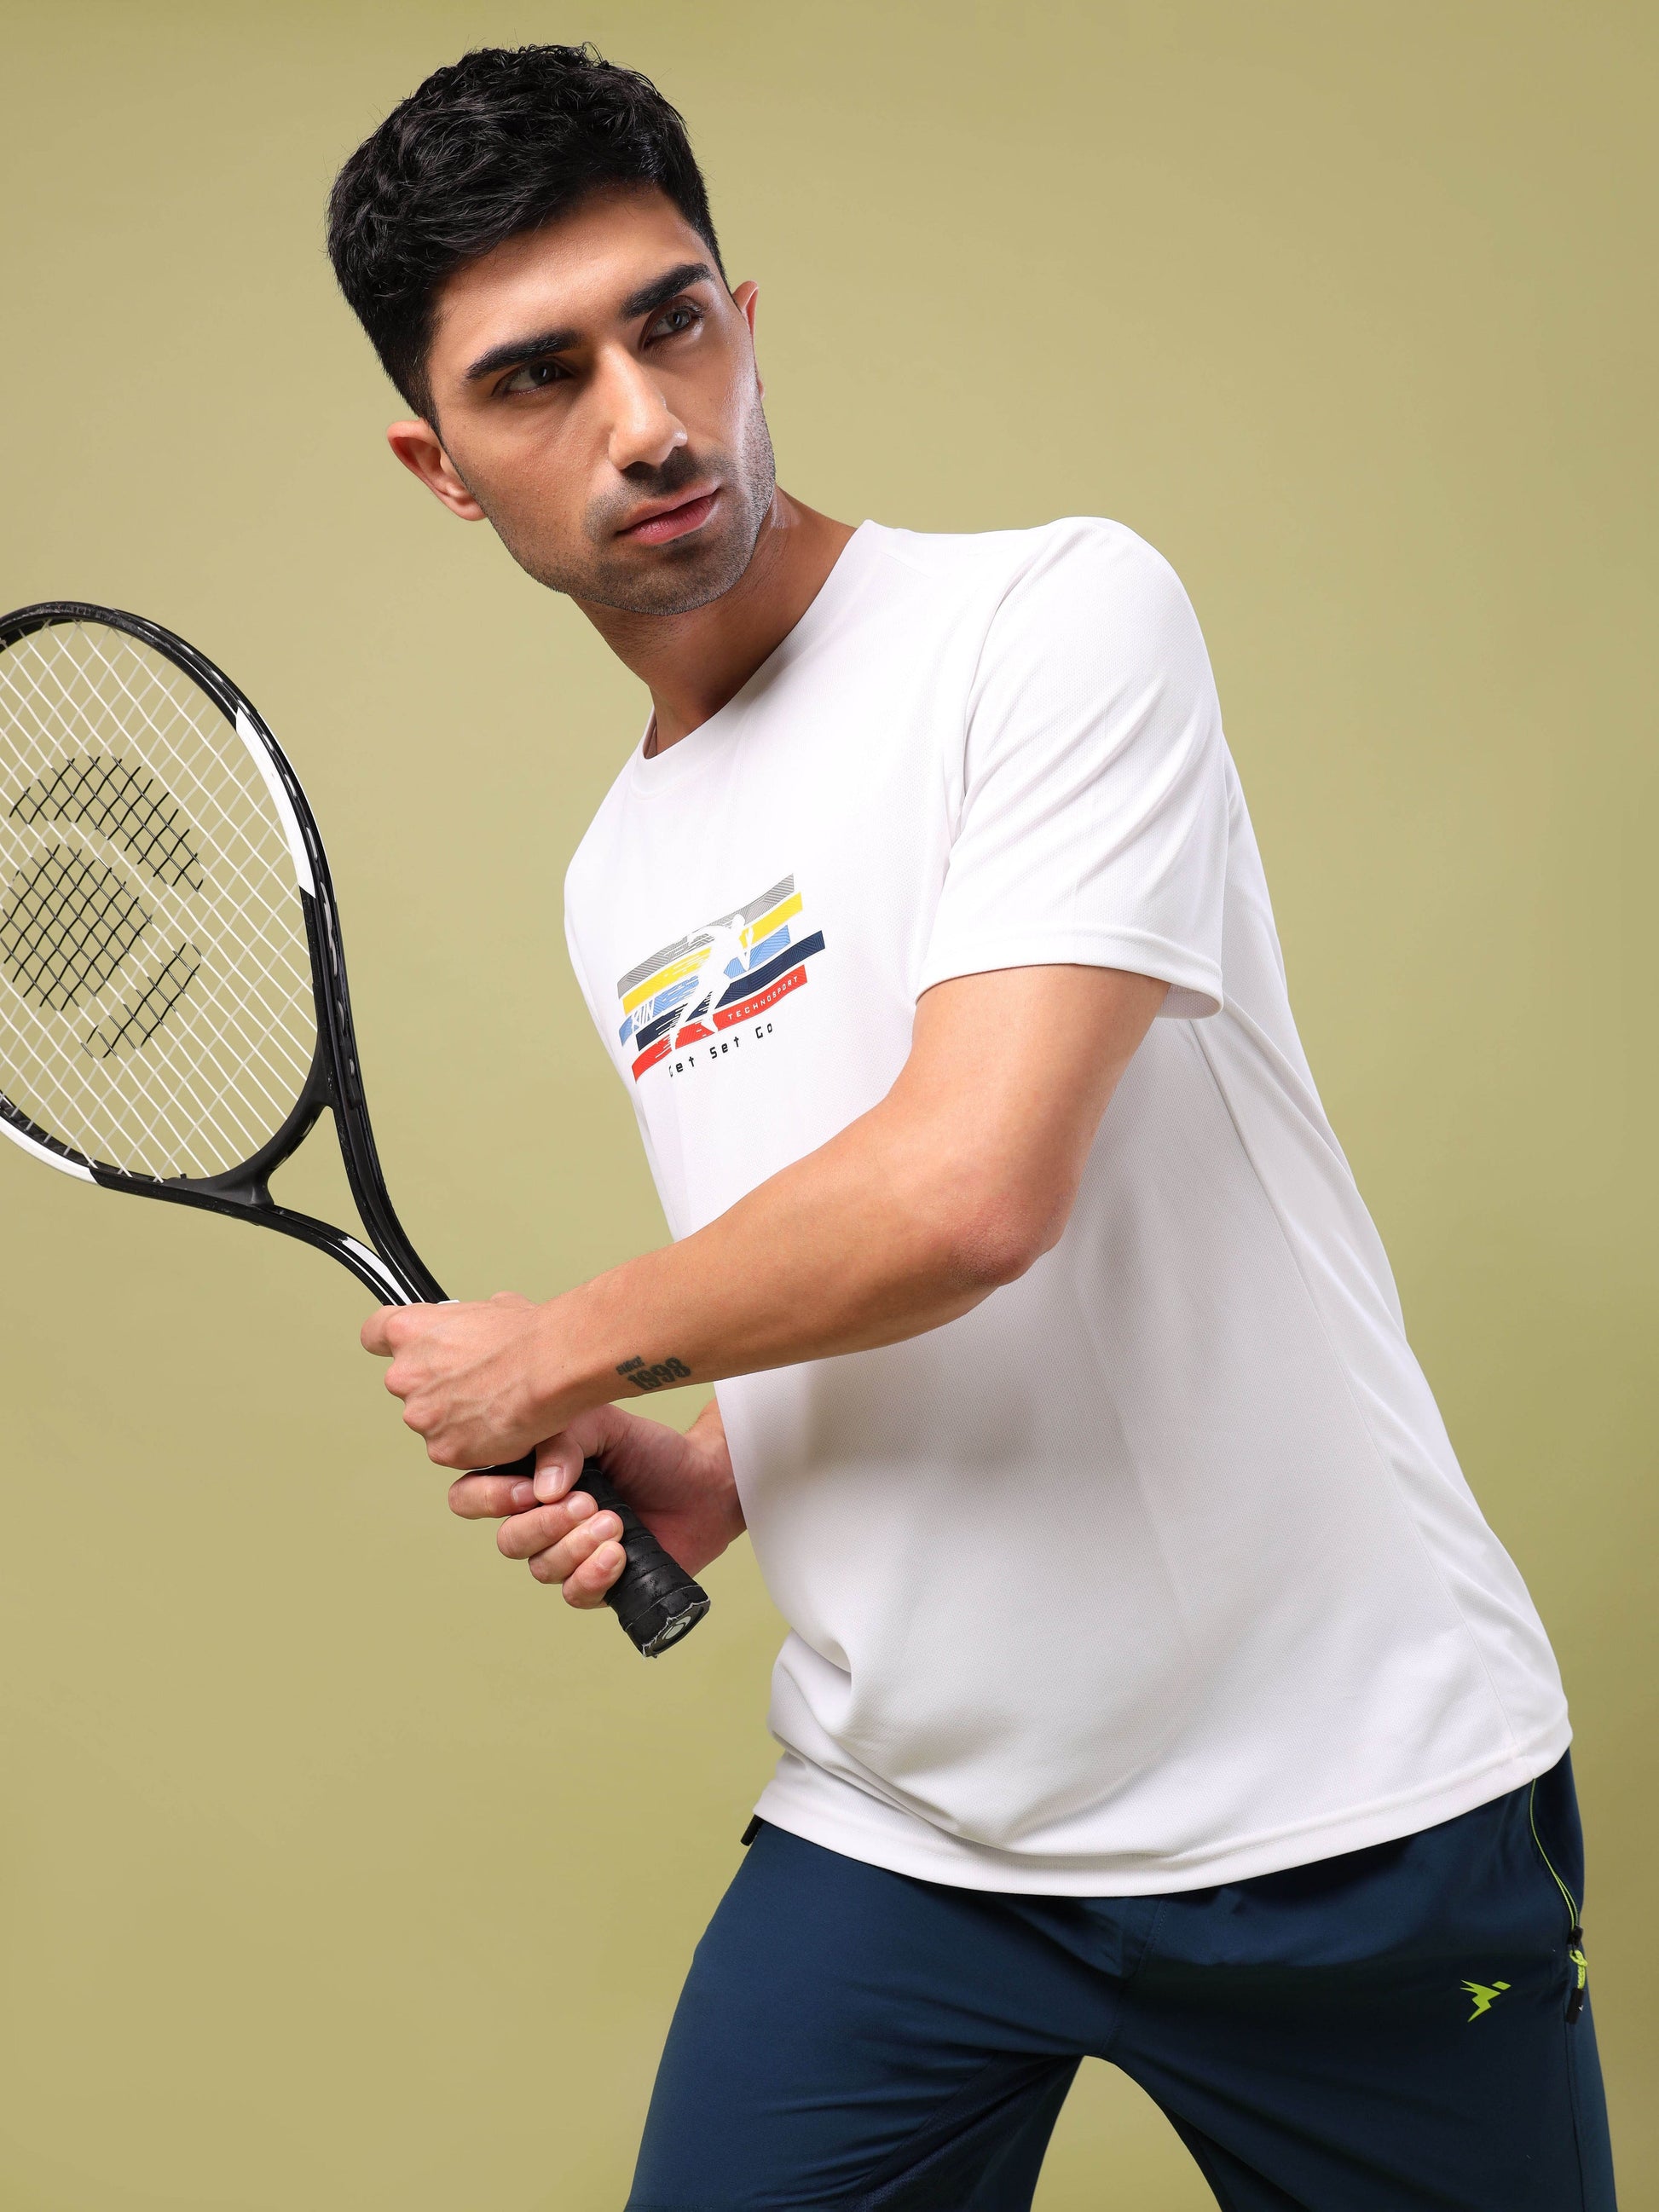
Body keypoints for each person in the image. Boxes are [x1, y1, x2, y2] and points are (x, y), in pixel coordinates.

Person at [330, 43, 1616, 2210]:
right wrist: (722, 1465)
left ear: (745, 317)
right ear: (440, 466)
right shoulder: (616, 873)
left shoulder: (1051, 619)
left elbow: (968, 1189)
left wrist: (562, 1345)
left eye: (670, 320)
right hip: (907, 1831)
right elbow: (827, 1247)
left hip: (1343, 1795)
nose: (644, 420)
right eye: (536, 378)